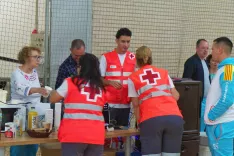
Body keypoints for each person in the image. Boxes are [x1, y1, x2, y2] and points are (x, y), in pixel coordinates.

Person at [128, 46, 183, 156]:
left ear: (137, 60)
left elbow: (135, 104)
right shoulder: (163, 73)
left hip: (151, 119)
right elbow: (176, 96)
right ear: (150, 58)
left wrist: (139, 124)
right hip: (174, 118)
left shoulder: (133, 77)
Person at [50, 53, 106, 156]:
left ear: (81, 67)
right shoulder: (101, 87)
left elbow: (53, 98)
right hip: (96, 135)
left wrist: (51, 91)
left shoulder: (71, 82)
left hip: (74, 134)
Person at [10, 46, 48, 156]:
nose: (38, 60)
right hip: (20, 112)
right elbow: (20, 89)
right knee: (19, 140)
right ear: (27, 58)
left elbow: (35, 89)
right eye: (35, 57)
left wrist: (42, 91)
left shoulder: (34, 72)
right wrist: (38, 90)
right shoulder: (16, 73)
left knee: (33, 140)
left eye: (39, 57)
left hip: (35, 111)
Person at [99, 28, 136, 127]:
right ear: (116, 41)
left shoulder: (133, 58)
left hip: (126, 103)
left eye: (128, 42)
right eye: (123, 41)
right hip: (110, 103)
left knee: (122, 134)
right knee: (109, 134)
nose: (126, 45)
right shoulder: (106, 57)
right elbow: (99, 79)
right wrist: (110, 82)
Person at [204, 37, 234, 156]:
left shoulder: (228, 69)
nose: (211, 52)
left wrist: (211, 116)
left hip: (221, 124)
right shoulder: (224, 69)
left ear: (220, 50)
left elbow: (227, 99)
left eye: (212, 49)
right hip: (219, 124)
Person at [183, 39, 210, 132]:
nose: (205, 50)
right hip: (197, 100)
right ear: (197, 48)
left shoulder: (206, 62)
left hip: (206, 99)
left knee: (204, 121)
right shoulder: (191, 61)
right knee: (197, 122)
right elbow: (186, 81)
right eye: (203, 48)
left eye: (207, 48)